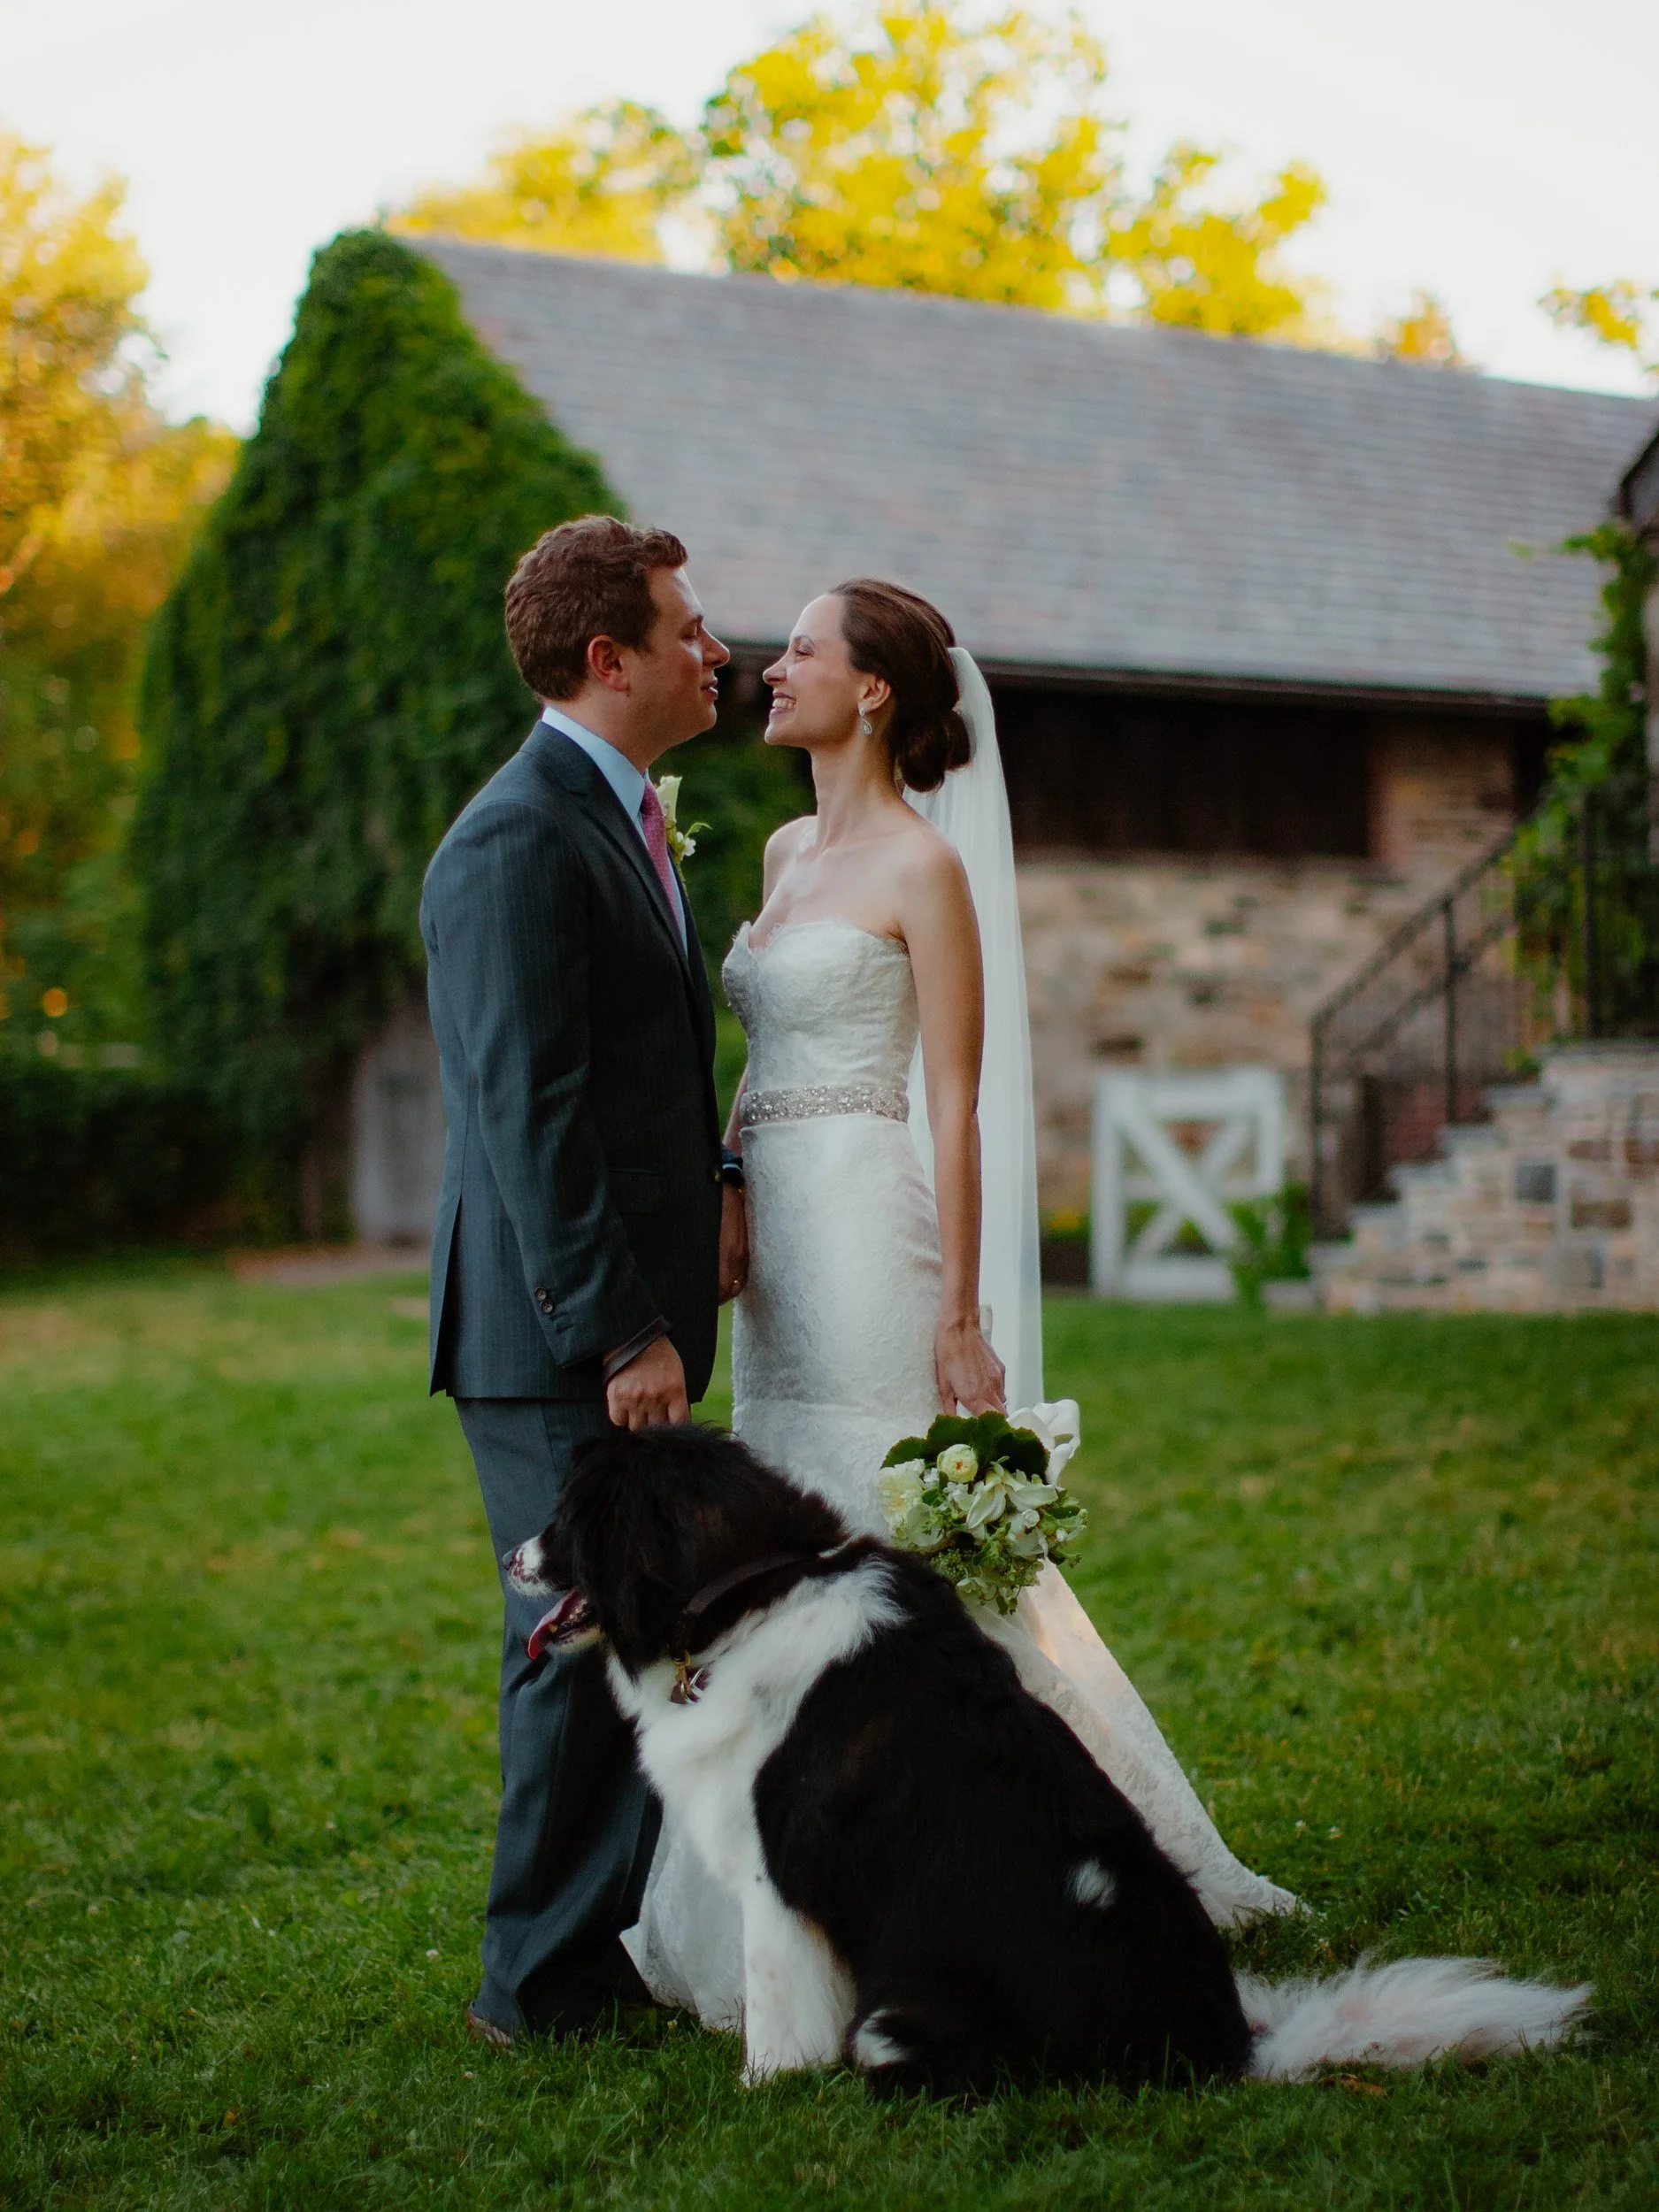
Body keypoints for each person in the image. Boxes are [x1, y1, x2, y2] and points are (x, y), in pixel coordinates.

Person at [621, 579, 1295, 2024]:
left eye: (801, 648)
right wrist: (727, 1182)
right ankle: (798, 1873)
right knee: (776, 1532)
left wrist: (963, 1311)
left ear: (871, 692)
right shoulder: (790, 848)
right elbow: (755, 1059)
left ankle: (1043, 1831)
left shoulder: (923, 869)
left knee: (889, 1529)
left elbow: (958, 1098)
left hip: (871, 1223)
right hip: (778, 1243)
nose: (769, 663)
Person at [420, 515, 748, 2047]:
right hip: (555, 1331)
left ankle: (592, 1950)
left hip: (619, 1315)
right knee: (572, 1647)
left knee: (636, 1625)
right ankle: (533, 1990)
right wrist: (622, 1325)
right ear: (608, 658)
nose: (714, 649)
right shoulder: (514, 838)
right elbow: (527, 1106)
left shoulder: (618, 816)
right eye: (687, 627)